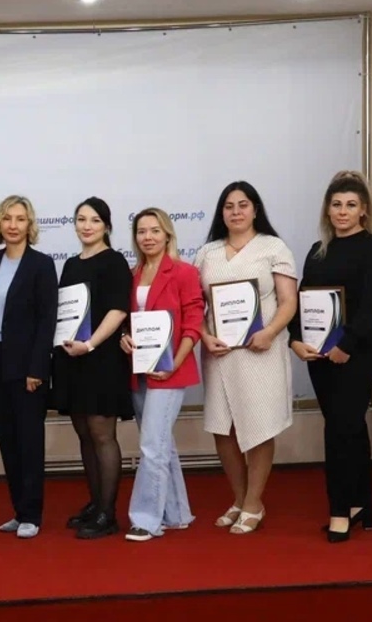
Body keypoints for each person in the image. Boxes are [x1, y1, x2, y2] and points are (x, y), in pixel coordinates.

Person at [288, 173, 372, 542]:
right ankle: (362, 503)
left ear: (363, 210)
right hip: (320, 356)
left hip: (357, 354)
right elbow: (302, 302)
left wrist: (346, 345)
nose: (342, 211)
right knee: (349, 426)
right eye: (336, 205)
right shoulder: (318, 251)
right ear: (327, 210)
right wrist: (295, 340)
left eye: (350, 205)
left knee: (339, 430)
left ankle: (339, 510)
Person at [195, 181, 299, 535]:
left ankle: (255, 501)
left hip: (260, 352)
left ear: (255, 210)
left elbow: (288, 301)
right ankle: (239, 499)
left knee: (259, 424)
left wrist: (269, 332)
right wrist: (204, 336)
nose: (236, 211)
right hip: (219, 354)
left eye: (243, 205)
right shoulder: (207, 253)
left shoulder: (273, 247)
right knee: (222, 428)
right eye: (229, 206)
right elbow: (194, 305)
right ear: (221, 212)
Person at [119, 207, 202, 541]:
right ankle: (177, 513)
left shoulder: (184, 272)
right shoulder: (132, 275)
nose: (148, 237)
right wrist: (124, 337)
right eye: (141, 231)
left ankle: (146, 519)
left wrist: (175, 363)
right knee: (162, 444)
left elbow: (194, 322)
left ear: (167, 235)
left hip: (171, 371)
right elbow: (129, 321)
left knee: (152, 444)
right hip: (140, 370)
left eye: (155, 230)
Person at [53, 196, 134, 539]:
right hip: (72, 359)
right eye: (81, 219)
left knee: (102, 435)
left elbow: (118, 310)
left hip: (101, 359)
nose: (87, 226)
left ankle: (108, 514)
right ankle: (95, 502)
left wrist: (90, 344)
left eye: (95, 220)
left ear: (107, 226)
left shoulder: (114, 261)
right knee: (84, 434)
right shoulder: (71, 265)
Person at [0, 195, 58, 539]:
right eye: (7, 218)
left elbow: (46, 320)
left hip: (27, 364)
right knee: (7, 438)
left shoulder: (41, 264)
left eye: (20, 219)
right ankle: (18, 510)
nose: (13, 225)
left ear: (30, 225)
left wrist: (37, 368)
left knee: (29, 439)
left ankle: (32, 514)